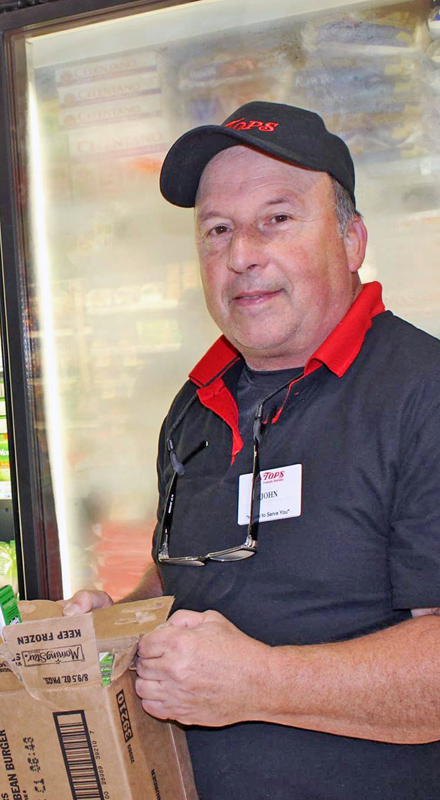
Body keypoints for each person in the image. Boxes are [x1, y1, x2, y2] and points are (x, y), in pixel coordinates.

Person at [63, 101, 440, 800]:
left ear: (352, 240)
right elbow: (187, 577)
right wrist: (112, 626)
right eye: (218, 230)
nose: (241, 254)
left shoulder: (423, 392)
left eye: (277, 218)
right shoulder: (194, 405)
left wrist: (259, 682)